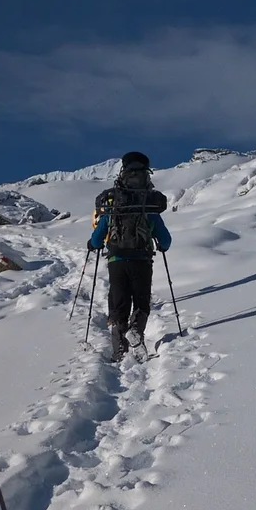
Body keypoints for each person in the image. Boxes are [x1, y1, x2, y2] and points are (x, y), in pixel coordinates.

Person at [87, 151, 171, 359]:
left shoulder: (115, 203)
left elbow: (98, 238)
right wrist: (161, 246)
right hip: (142, 260)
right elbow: (166, 240)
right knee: (141, 302)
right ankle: (135, 331)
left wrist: (92, 244)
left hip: (116, 260)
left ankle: (119, 350)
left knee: (119, 303)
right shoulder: (148, 204)